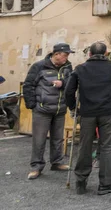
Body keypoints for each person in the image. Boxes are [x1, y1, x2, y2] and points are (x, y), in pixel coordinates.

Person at [65, 42, 111, 195]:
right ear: (106, 53)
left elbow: (69, 90)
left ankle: (80, 182)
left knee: (84, 146)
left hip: (87, 113)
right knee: (107, 147)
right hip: (108, 112)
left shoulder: (80, 69)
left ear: (90, 54)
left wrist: (73, 107)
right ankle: (106, 184)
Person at [22, 43, 74, 180]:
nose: (67, 57)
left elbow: (71, 83)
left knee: (58, 139)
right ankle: (36, 167)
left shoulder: (68, 67)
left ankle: (57, 162)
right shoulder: (39, 66)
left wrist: (62, 83)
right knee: (39, 140)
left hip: (60, 109)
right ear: (56, 54)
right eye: (65, 54)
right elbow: (28, 85)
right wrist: (32, 105)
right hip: (42, 110)